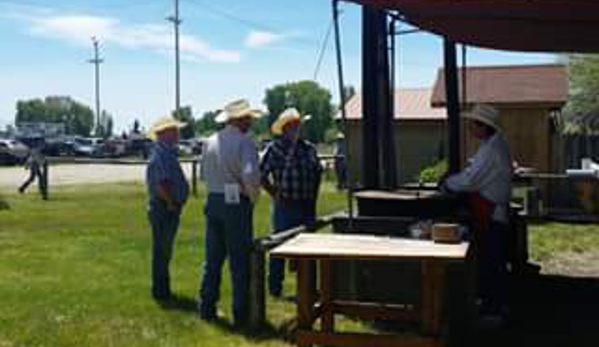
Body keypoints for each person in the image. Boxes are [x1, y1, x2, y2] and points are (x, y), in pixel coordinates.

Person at [441, 104, 512, 326]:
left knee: (491, 261)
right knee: (492, 260)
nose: (470, 127)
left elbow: (471, 180)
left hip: (491, 212)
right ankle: (494, 305)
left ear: (483, 127)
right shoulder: (491, 146)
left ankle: (493, 311)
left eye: (473, 123)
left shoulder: (490, 150)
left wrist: (448, 184)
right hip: (490, 211)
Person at [198, 99, 262, 327]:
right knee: (239, 261)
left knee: (212, 260)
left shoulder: (210, 141)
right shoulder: (245, 143)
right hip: (235, 204)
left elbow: (203, 176)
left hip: (213, 200)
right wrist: (253, 197)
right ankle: (240, 313)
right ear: (241, 119)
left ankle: (207, 307)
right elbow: (251, 176)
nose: (252, 121)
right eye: (249, 117)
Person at [260, 108, 323, 297]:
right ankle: (275, 288)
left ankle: (310, 288)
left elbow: (318, 173)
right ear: (285, 128)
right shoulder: (275, 148)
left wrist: (314, 197)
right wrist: (274, 194)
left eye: (298, 125)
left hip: (306, 205)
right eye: (293, 126)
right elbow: (261, 174)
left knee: (309, 248)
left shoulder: (309, 148)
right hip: (285, 206)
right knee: (279, 245)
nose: (297, 129)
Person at [146, 116, 189, 301]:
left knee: (164, 250)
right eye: (174, 130)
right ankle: (161, 291)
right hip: (164, 207)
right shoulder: (161, 154)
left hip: (166, 206)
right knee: (162, 251)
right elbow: (162, 184)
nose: (178, 133)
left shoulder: (166, 152)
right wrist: (172, 203)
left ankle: (162, 289)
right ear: (164, 133)